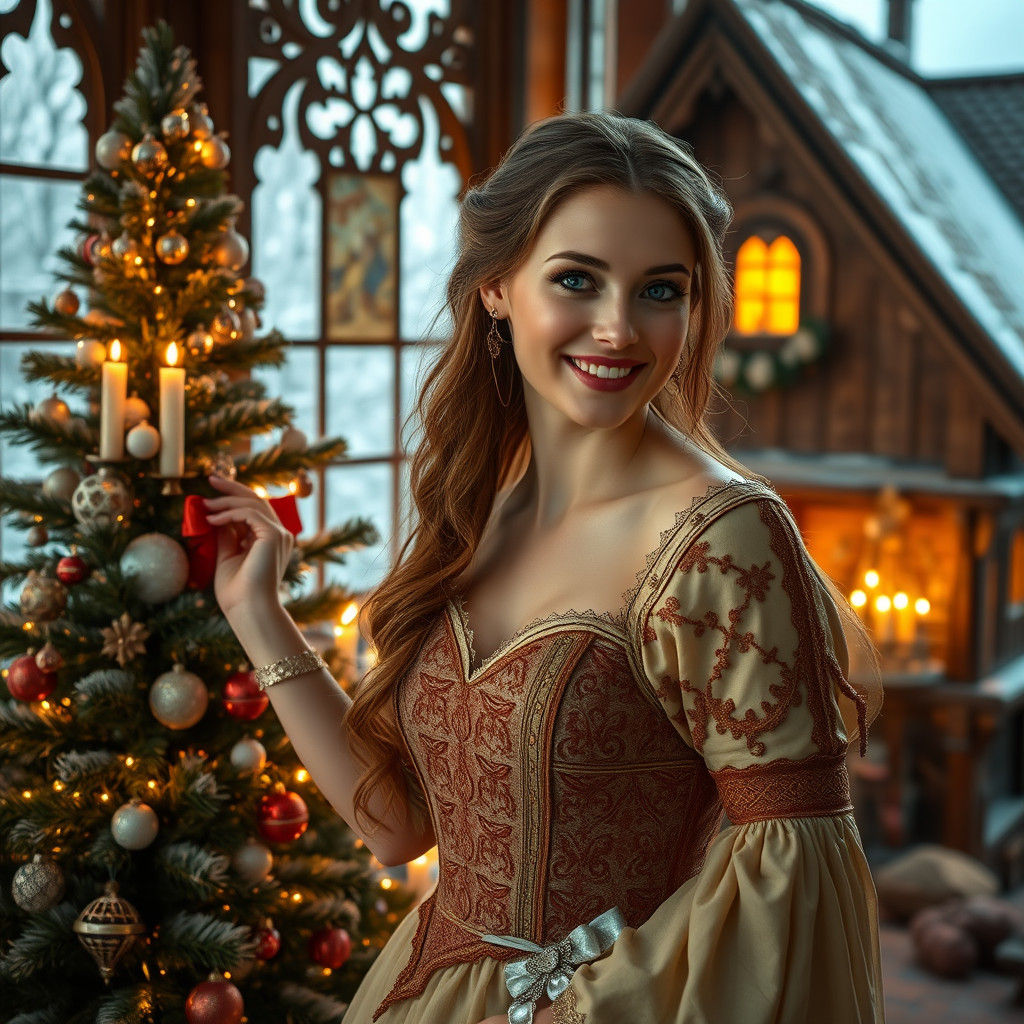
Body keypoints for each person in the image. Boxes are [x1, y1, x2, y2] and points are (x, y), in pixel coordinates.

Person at [207, 110, 886, 1024]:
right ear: (497, 287)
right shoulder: (478, 500)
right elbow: (398, 825)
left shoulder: (721, 537)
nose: (617, 329)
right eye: (576, 279)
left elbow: (794, 883)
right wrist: (260, 616)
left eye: (660, 291)